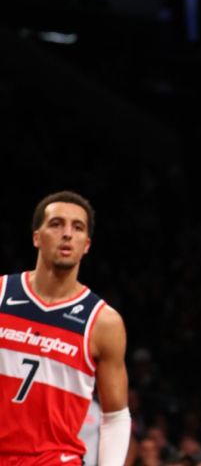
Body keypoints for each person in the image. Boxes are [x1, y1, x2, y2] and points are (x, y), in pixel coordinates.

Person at [0, 190, 131, 464]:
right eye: (56, 224)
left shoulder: (103, 322)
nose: (67, 233)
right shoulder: (1, 294)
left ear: (86, 245)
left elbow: (116, 416)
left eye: (78, 227)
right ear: (37, 237)